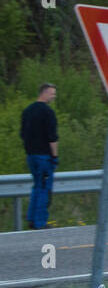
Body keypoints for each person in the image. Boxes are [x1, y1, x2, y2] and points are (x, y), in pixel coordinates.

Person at [20, 83, 59, 229]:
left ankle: (31, 218)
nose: (53, 96)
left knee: (37, 186)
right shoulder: (48, 113)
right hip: (44, 157)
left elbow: (23, 134)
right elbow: (52, 137)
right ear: (44, 93)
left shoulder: (27, 111)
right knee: (44, 188)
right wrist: (55, 157)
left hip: (31, 156)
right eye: (52, 93)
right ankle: (39, 222)